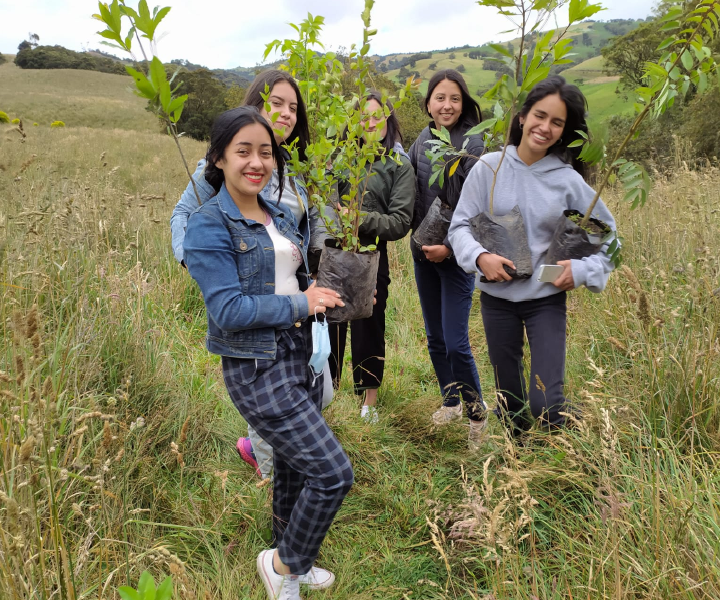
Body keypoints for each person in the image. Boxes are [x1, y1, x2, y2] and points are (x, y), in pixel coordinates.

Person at [183, 106, 353, 600]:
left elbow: (285, 275)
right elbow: (229, 309)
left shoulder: (276, 212)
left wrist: (312, 288)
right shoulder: (207, 225)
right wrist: (302, 301)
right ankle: (282, 561)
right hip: (257, 364)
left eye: (265, 152)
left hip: (297, 349)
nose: (257, 162)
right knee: (333, 473)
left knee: (294, 465)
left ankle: (290, 566)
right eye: (243, 152)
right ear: (218, 158)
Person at [170, 69, 333, 479]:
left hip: (296, 305)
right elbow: (185, 214)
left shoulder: (293, 169)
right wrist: (200, 264)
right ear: (256, 105)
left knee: (322, 391)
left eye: (294, 107)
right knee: (272, 397)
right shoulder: (234, 159)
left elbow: (309, 224)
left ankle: (266, 454)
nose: (286, 113)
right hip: (254, 307)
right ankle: (270, 477)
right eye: (276, 103)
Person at [448, 75, 617, 438]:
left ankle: (576, 434)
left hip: (545, 299)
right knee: (510, 400)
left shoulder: (568, 181)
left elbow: (611, 241)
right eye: (540, 116)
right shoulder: (489, 168)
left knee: (546, 402)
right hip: (497, 300)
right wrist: (480, 258)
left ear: (564, 131)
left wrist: (584, 270)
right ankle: (520, 464)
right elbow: (459, 227)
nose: (546, 127)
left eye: (557, 122)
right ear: (522, 117)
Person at [408, 69, 488, 449]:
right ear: (428, 103)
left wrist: (452, 249)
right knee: (435, 338)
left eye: (454, 98)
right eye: (439, 98)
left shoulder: (476, 144)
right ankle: (451, 401)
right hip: (423, 254)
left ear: (464, 102)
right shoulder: (421, 141)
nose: (446, 105)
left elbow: (483, 211)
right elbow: (408, 193)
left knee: (456, 342)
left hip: (458, 258)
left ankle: (477, 415)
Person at [328, 92, 415, 422]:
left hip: (370, 253)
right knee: (332, 324)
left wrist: (358, 217)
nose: (371, 123)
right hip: (334, 251)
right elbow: (326, 200)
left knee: (369, 324)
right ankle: (329, 393)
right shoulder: (341, 159)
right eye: (364, 117)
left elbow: (400, 222)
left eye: (378, 116)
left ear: (388, 120)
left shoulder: (398, 166)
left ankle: (369, 401)